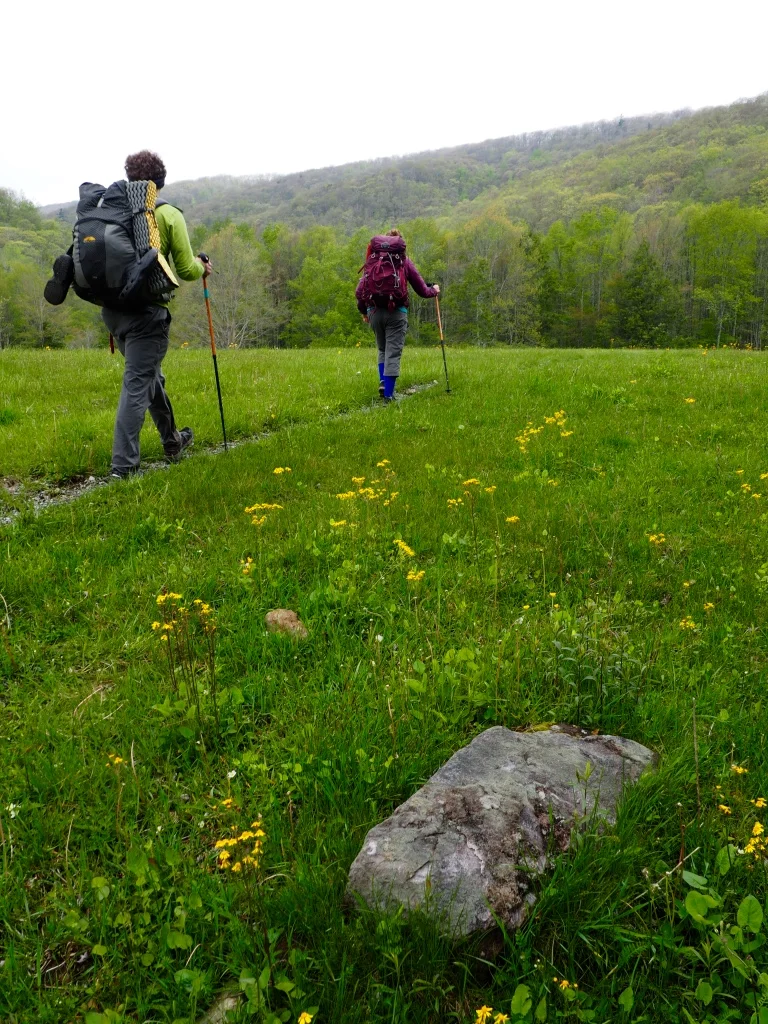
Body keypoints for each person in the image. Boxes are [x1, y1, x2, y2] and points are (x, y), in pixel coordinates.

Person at [105, 150, 211, 478]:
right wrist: (202, 266)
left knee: (150, 377)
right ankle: (123, 469)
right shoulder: (167, 214)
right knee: (138, 383)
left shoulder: (110, 209)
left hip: (113, 312)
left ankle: (172, 440)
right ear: (160, 181)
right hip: (147, 314)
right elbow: (185, 270)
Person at [355, 229, 439, 401]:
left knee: (382, 349)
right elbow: (422, 290)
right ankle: (388, 396)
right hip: (396, 313)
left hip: (374, 312)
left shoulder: (372, 261)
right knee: (393, 352)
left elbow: (360, 291)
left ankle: (383, 382)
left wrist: (364, 312)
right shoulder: (404, 261)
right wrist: (434, 290)